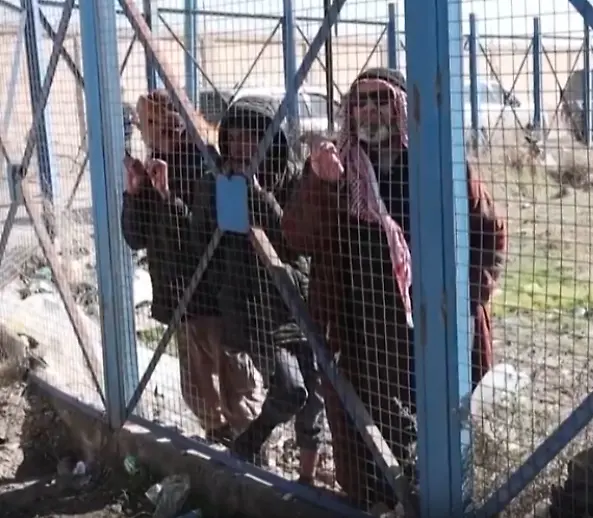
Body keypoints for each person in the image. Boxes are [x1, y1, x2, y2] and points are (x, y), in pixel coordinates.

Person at [281, 68, 507, 510]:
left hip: (431, 327)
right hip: (359, 328)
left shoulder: (438, 163)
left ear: (402, 109)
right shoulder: (335, 167)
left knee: (438, 426)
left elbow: (490, 233)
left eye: (381, 100)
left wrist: (468, 298)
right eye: (361, 101)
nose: (370, 110)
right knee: (366, 430)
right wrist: (320, 183)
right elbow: (296, 237)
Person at [189, 94, 324, 483]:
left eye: (251, 138)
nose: (241, 147)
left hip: (296, 299)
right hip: (251, 309)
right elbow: (201, 241)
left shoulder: (293, 179)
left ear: (270, 140)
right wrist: (222, 196)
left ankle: (306, 481)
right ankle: (248, 445)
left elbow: (295, 240)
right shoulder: (215, 182)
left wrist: (259, 196)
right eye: (234, 138)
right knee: (290, 388)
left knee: (313, 397)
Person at [122, 90, 262, 444]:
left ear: (182, 120)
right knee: (197, 386)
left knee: (235, 383)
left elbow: (202, 239)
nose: (158, 129)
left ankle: (252, 447)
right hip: (178, 292)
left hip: (215, 293)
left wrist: (168, 196)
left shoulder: (207, 164)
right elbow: (135, 238)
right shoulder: (154, 164)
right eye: (149, 123)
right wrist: (135, 193)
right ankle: (220, 441)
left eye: (164, 120)